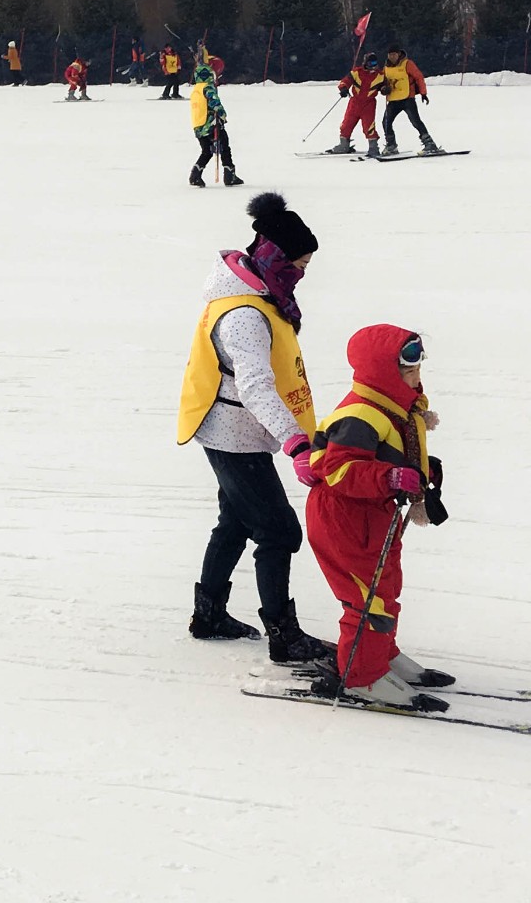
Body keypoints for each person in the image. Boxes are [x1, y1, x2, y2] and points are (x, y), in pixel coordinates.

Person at [176, 192, 336, 663]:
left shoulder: (262, 296)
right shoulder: (244, 314)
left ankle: (209, 615)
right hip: (233, 433)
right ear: (275, 257)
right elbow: (256, 388)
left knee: (235, 520)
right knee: (278, 530)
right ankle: (284, 638)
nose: (302, 274)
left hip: (235, 428)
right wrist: (296, 443)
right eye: (299, 264)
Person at [298, 326, 453, 711]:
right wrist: (389, 477)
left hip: (374, 514)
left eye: (418, 368)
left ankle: (382, 656)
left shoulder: (393, 407)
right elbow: (337, 469)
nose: (417, 377)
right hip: (344, 518)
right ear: (383, 371)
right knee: (367, 601)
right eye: (407, 370)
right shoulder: (361, 415)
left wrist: (417, 469)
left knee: (387, 588)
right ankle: (361, 678)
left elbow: (388, 450)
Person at [378, 45, 439, 156]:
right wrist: (383, 89)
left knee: (415, 121)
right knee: (386, 122)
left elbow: (418, 77)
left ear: (398, 54)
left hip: (407, 98)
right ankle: (391, 145)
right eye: (390, 55)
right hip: (393, 99)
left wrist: (423, 93)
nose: (392, 57)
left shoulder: (407, 64)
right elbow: (383, 82)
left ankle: (430, 144)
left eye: (394, 54)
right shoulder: (386, 67)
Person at [187, 63, 240, 186]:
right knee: (224, 147)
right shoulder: (208, 88)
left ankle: (195, 174)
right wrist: (222, 114)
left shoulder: (196, 90)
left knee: (207, 151)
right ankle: (229, 174)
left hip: (198, 125)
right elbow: (214, 102)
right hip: (211, 124)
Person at [327, 52, 385, 156]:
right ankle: (343, 144)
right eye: (371, 63)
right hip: (354, 103)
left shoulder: (380, 75)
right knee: (346, 124)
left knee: (369, 126)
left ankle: (373, 147)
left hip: (369, 104)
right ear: (366, 63)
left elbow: (384, 87)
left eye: (375, 63)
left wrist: (386, 89)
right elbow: (345, 81)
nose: (373, 65)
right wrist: (344, 88)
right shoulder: (356, 72)